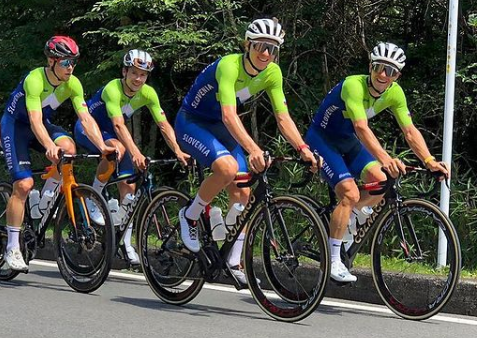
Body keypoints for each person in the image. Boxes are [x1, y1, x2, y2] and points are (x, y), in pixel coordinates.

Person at [174, 18, 317, 285]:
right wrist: (252, 148)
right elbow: (229, 115)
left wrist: (303, 148)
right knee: (227, 168)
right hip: (192, 122)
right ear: (247, 45)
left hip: (219, 126)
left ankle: (232, 259)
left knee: (243, 193)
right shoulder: (229, 66)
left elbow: (283, 117)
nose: (265, 54)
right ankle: (190, 215)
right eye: (260, 46)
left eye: (272, 49)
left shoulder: (272, 73)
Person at [304, 42, 449, 282]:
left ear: (397, 76)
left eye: (390, 71)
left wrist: (429, 160)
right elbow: (361, 127)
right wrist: (386, 158)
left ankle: (346, 220)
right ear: (371, 66)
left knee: (382, 181)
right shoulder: (354, 85)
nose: (383, 74)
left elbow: (410, 131)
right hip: (322, 139)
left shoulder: (395, 93)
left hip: (348, 141)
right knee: (349, 194)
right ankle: (333, 260)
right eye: (380, 67)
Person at [0, 36, 115, 271]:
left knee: (70, 149)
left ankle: (43, 200)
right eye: (65, 63)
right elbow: (34, 121)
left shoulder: (73, 84)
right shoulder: (34, 79)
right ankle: (12, 246)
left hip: (43, 124)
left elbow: (86, 118)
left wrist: (102, 147)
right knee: (23, 185)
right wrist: (49, 146)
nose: (70, 68)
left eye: (74, 62)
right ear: (51, 61)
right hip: (16, 126)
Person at [74, 49, 190, 265]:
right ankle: (94, 197)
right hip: (90, 128)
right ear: (125, 71)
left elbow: (163, 125)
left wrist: (177, 150)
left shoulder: (148, 93)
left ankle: (125, 243)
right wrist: (136, 152)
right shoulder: (113, 89)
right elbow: (118, 124)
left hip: (114, 133)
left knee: (129, 190)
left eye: (143, 75)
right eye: (134, 73)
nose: (138, 79)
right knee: (118, 148)